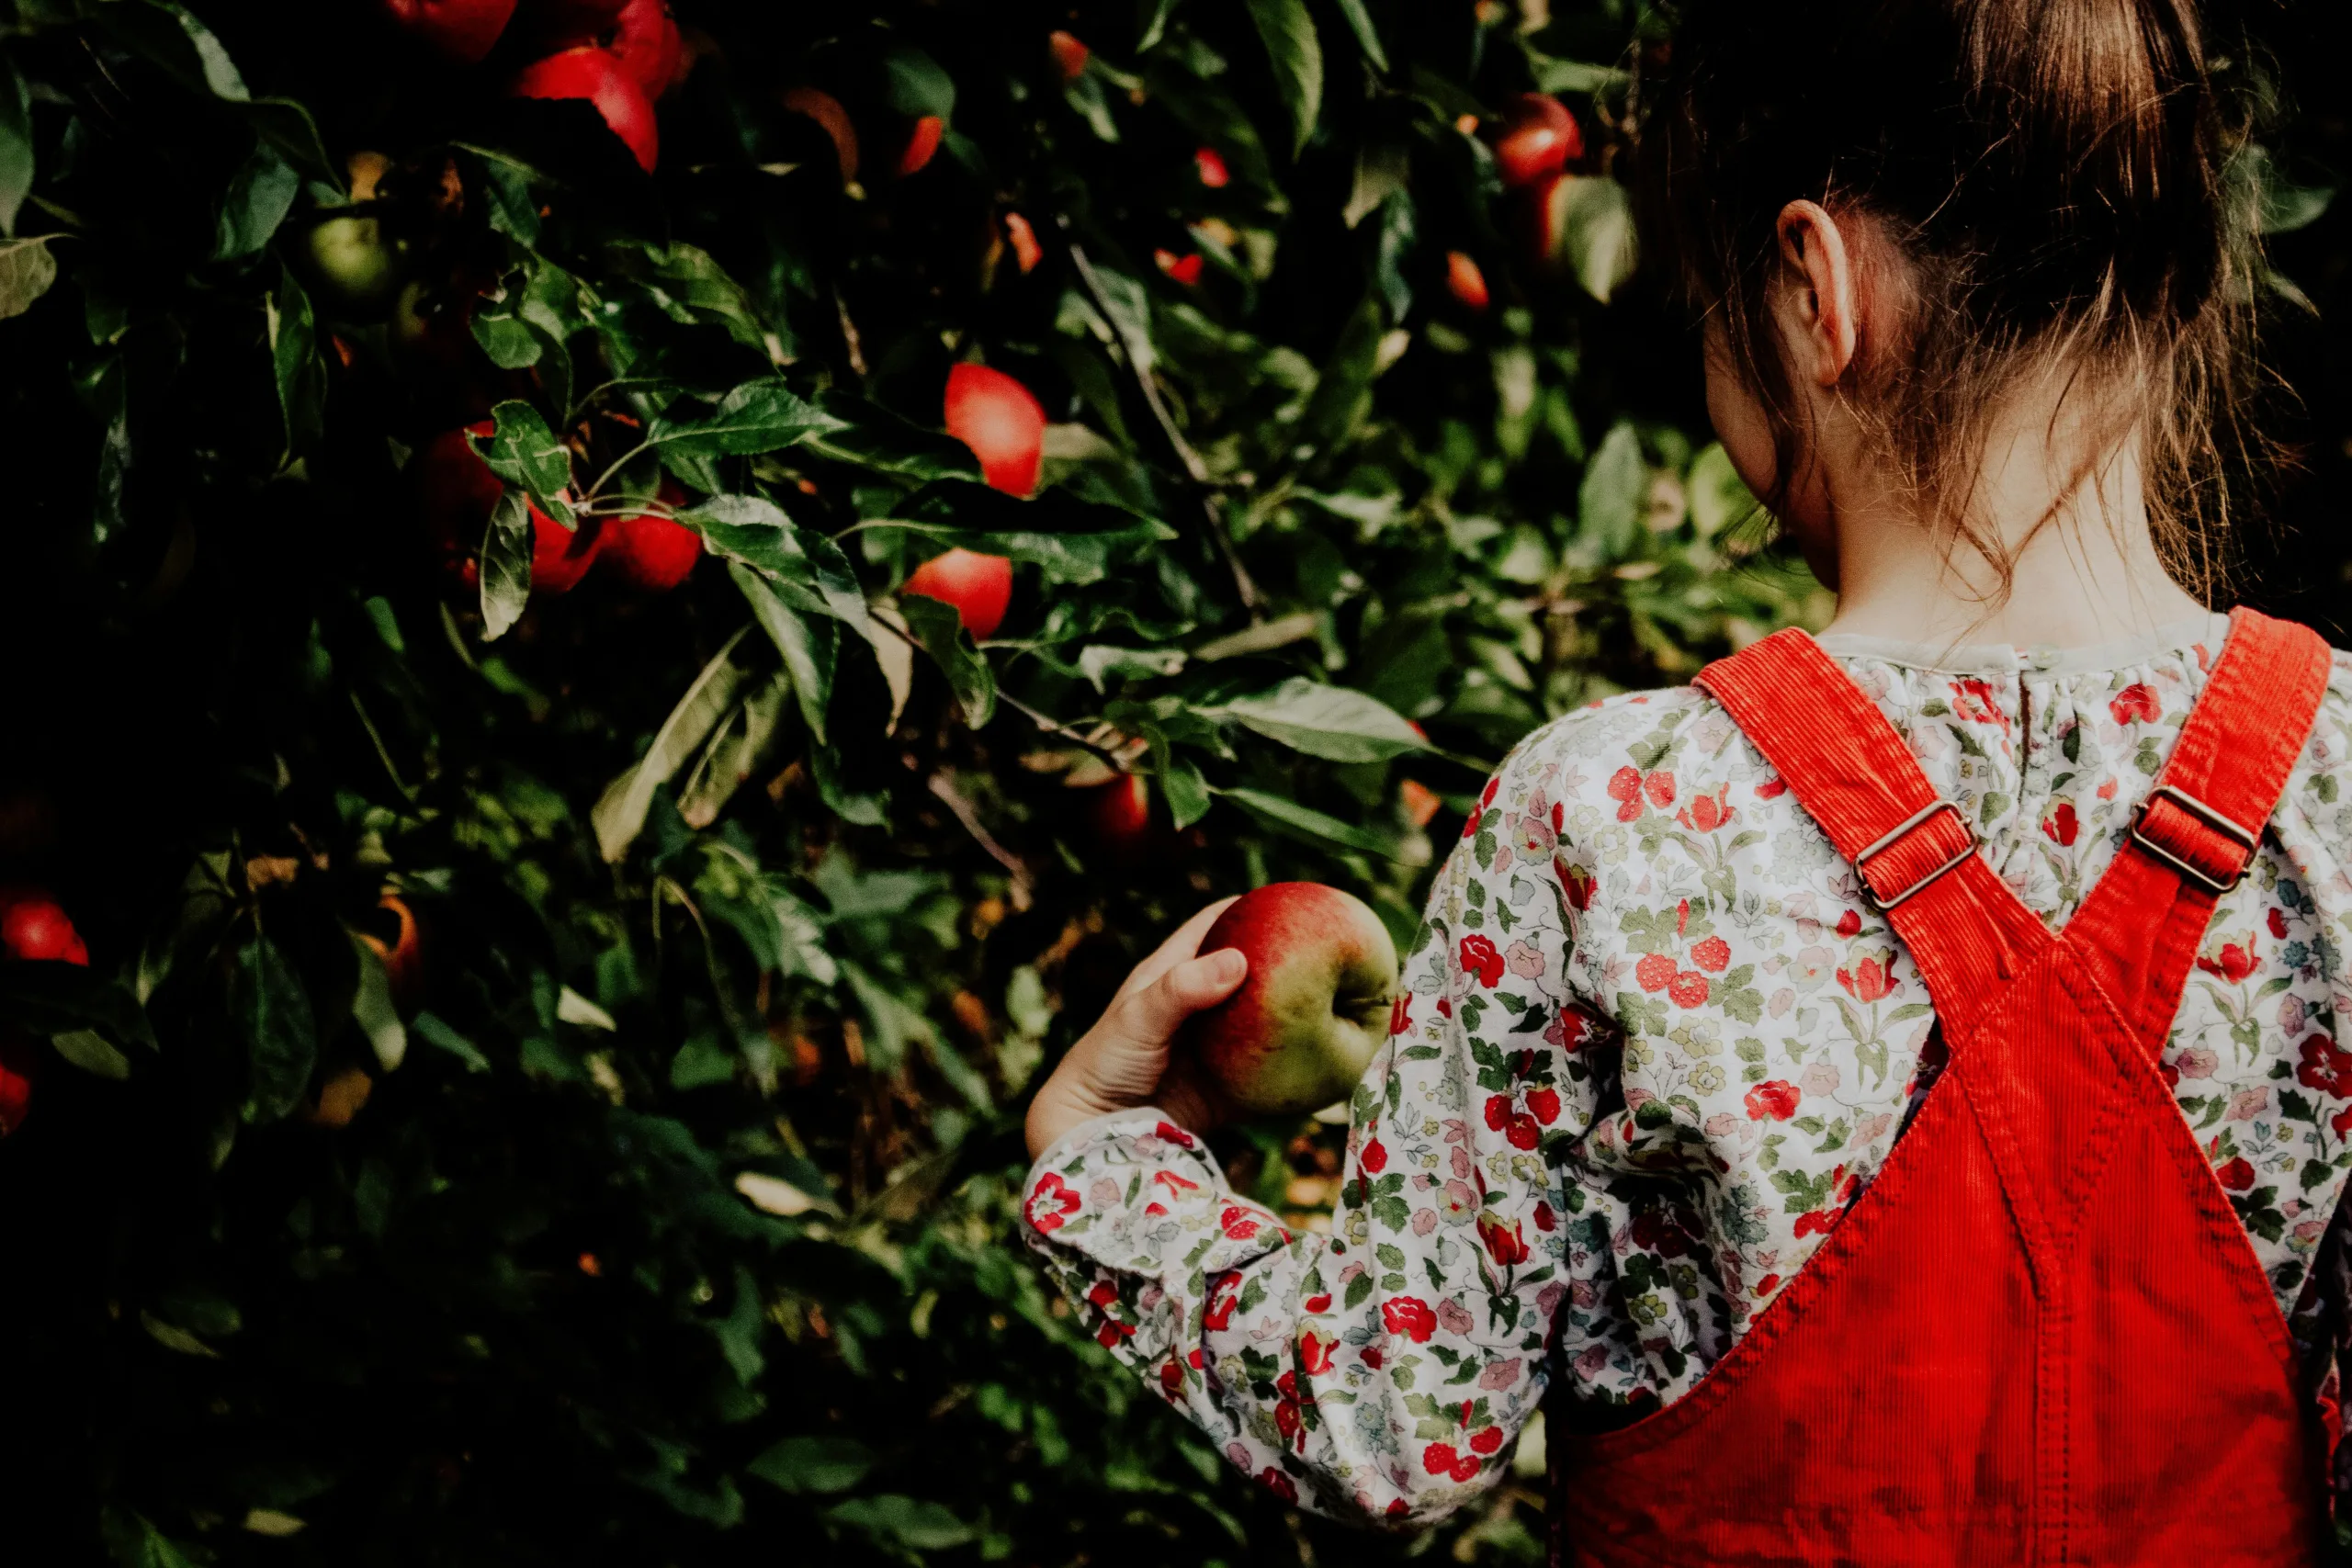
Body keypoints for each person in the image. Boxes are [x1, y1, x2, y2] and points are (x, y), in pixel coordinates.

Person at [1020, 1, 2352, 1561]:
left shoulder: (1608, 824)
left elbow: (1387, 1420)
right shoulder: (2339, 788)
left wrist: (1105, 1161)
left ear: (1809, 287)